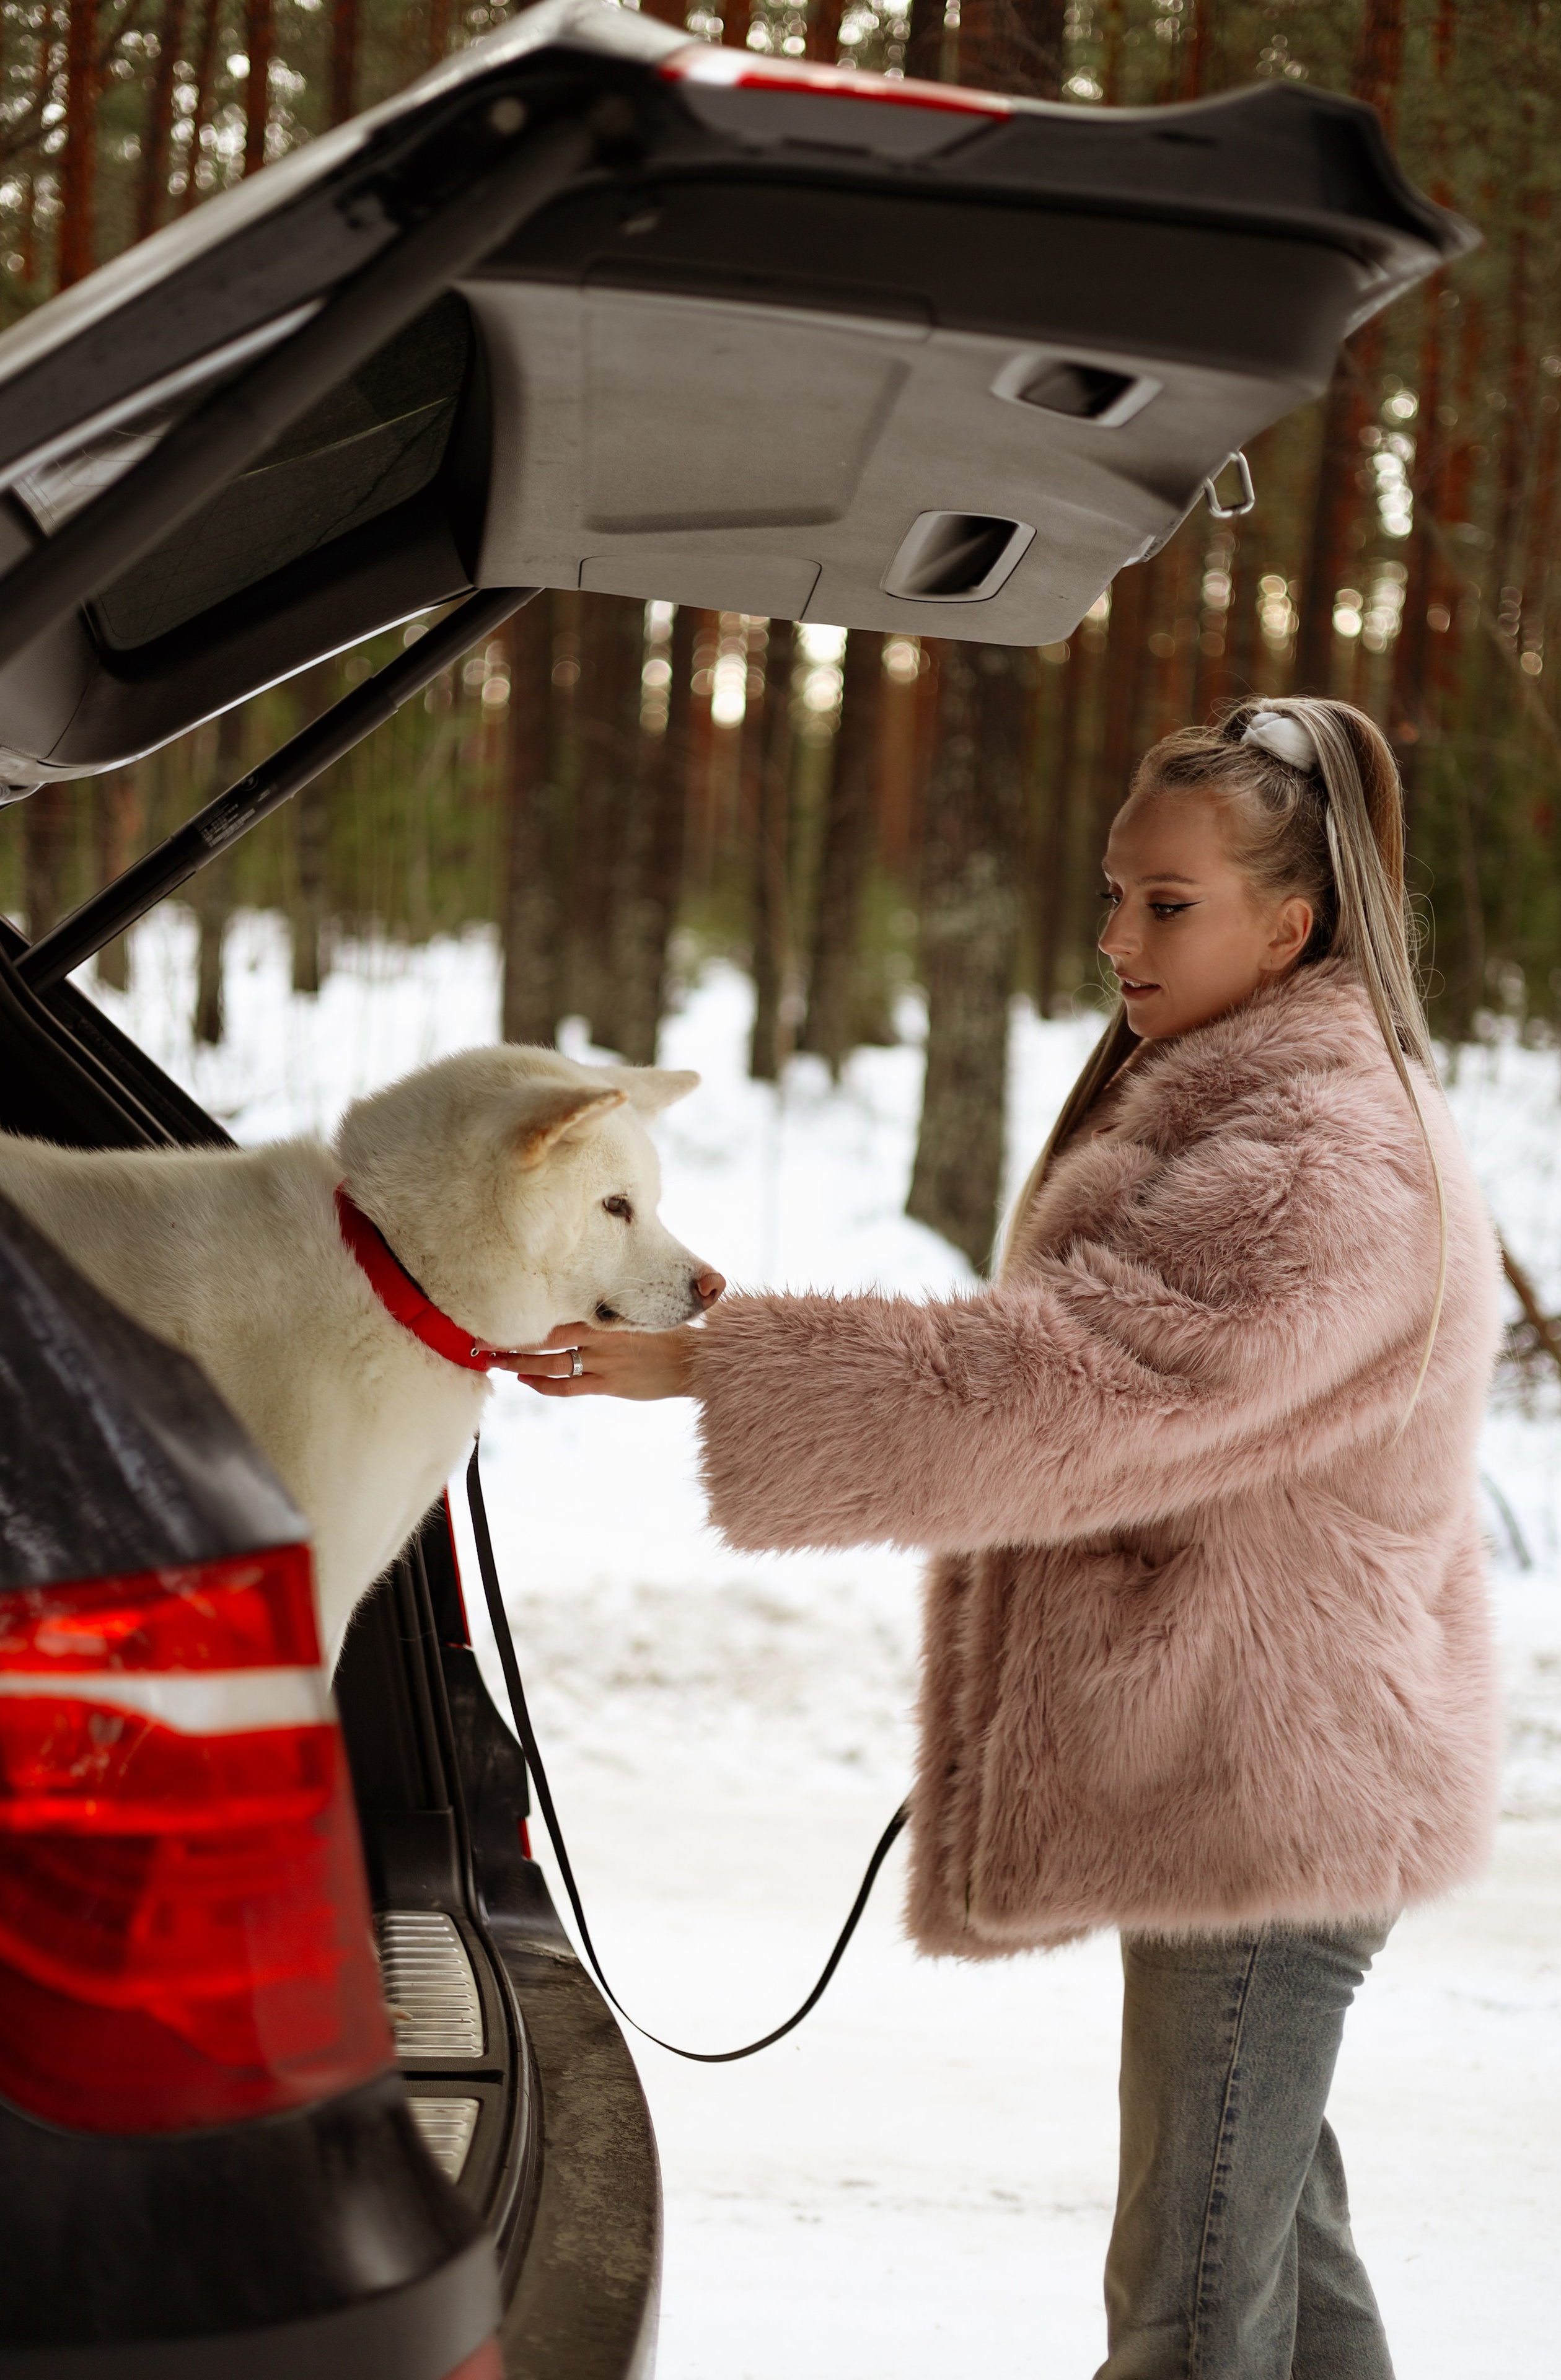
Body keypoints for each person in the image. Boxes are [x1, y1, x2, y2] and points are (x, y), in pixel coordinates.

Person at [517, 696, 1501, 2380]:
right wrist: (766, 1356)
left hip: (1272, 1787)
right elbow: (1093, 1374)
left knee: (1195, 2306)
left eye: (1167, 903)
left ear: (1296, 920)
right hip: (1258, 1772)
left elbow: (1075, 1384)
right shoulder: (1250, 1099)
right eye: (1115, 893)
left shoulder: (1318, 1154)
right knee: (1280, 2266)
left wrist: (717, 1368)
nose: (1119, 935)